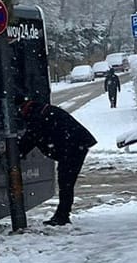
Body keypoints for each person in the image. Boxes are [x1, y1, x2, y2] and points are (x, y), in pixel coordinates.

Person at [16, 94, 98, 226]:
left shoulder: (37, 115)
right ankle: (62, 215)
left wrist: (17, 153)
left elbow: (30, 138)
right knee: (66, 183)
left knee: (65, 182)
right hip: (74, 146)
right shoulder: (40, 110)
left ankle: (63, 216)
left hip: (73, 148)